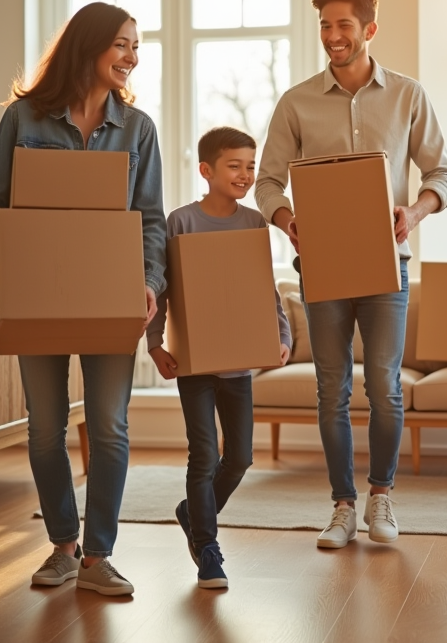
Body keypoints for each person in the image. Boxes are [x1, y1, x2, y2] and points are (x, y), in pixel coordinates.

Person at [0, 2, 166, 596]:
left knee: (109, 426)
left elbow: (149, 218)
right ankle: (63, 548)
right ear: (90, 45)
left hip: (110, 295)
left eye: (136, 47)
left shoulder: (137, 129)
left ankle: (98, 557)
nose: (132, 57)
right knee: (45, 429)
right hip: (35, 293)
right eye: (122, 45)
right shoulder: (25, 119)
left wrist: (150, 283)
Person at [254, 0, 447, 548]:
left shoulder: (408, 96)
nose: (333, 36)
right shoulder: (295, 102)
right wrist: (287, 220)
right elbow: (268, 182)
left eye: (343, 25)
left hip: (387, 264)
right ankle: (342, 506)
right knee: (332, 387)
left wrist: (413, 213)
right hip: (320, 266)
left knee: (385, 386)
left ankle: (381, 497)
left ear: (369, 30)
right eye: (324, 25)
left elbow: (443, 173)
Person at [146, 126, 292, 589]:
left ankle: (193, 512)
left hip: (239, 364)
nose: (245, 174)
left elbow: (262, 287)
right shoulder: (181, 221)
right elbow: (163, 288)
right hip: (195, 363)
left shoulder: (253, 223)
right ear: (207, 170)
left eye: (251, 166)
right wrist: (154, 343)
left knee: (241, 458)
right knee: (204, 454)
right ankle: (207, 547)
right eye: (235, 165)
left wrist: (282, 333)